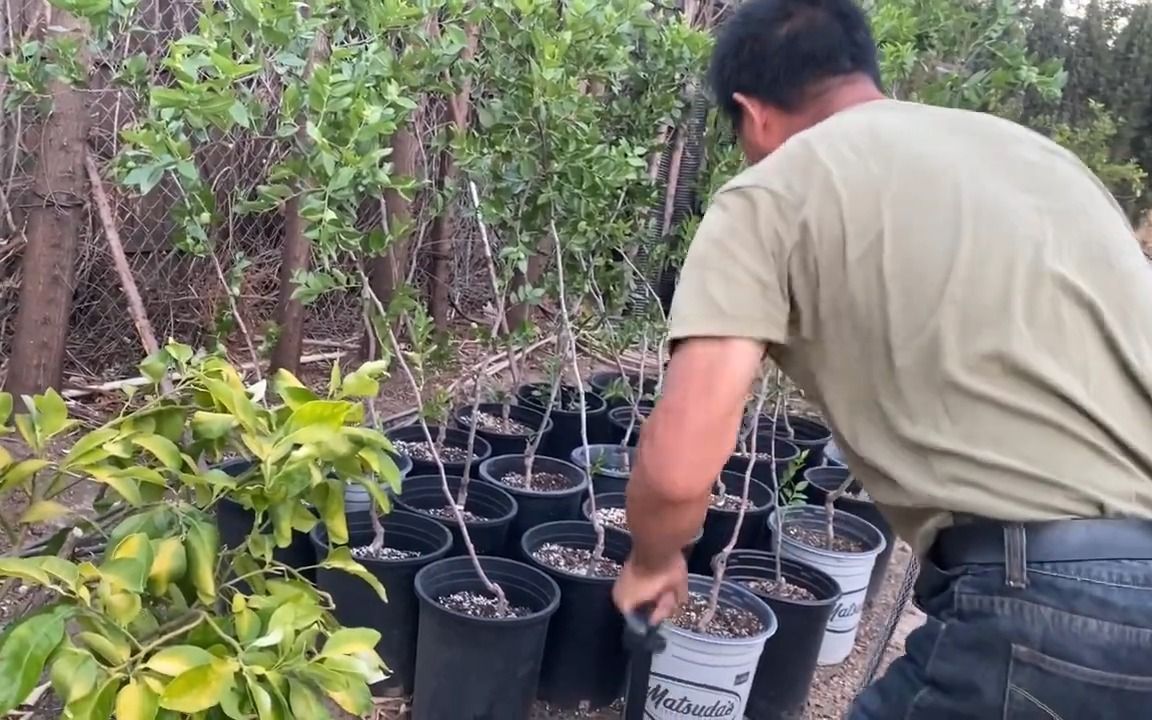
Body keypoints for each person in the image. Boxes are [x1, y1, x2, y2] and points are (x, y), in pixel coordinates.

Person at [611, 0, 1152, 717]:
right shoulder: (1042, 160)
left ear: (753, 111)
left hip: (1055, 614)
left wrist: (654, 558)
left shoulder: (776, 189)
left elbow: (680, 467)